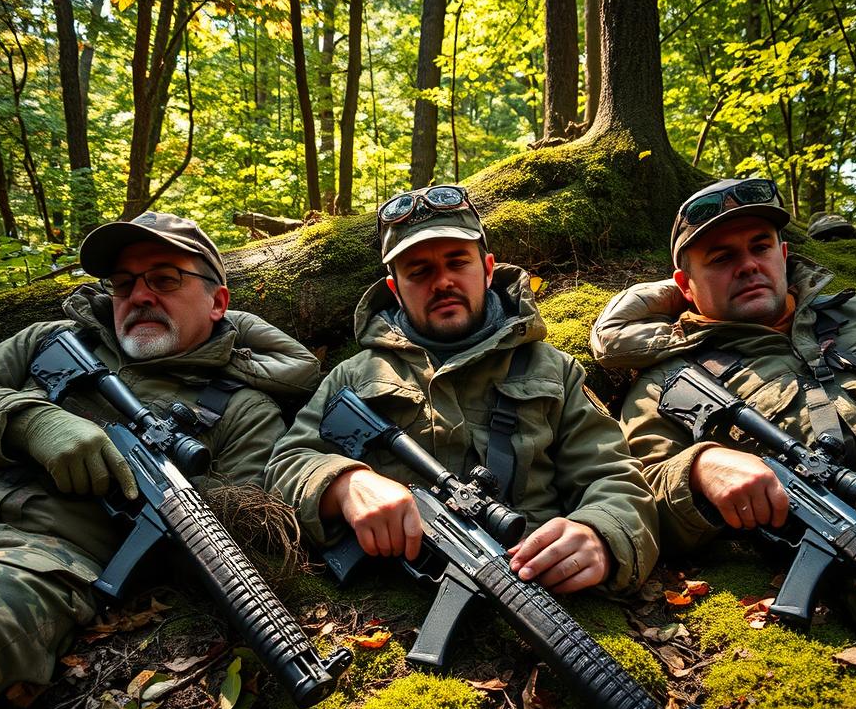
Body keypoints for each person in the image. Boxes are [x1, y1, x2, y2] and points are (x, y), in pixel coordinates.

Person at [590, 177, 856, 691]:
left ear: (784, 254)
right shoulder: (669, 380)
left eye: (760, 247)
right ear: (685, 286)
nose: (747, 264)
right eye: (721, 257)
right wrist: (700, 468)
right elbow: (643, 494)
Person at [0, 211, 321, 709]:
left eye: (165, 279)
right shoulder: (49, 341)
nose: (140, 295)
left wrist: (168, 490)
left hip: (31, 559)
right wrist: (28, 422)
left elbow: (256, 529)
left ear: (217, 303)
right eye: (124, 283)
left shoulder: (242, 409)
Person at [266, 185, 659, 597]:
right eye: (419, 272)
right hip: (383, 599)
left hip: (535, 589)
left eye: (458, 262)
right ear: (395, 288)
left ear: (488, 269)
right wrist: (344, 484)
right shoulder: (354, 375)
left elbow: (615, 479)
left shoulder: (556, 371)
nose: (443, 282)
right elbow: (286, 464)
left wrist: (599, 535)